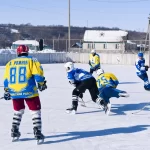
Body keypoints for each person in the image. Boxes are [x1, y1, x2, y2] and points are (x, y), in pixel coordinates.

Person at [3, 45, 47, 144]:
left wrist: (7, 90)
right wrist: (41, 83)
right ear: (27, 52)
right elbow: (38, 74)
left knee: (18, 111)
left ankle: (14, 131)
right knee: (35, 111)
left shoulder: (10, 63)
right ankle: (37, 132)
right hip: (29, 91)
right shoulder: (32, 60)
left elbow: (6, 79)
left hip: (14, 91)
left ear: (17, 52)